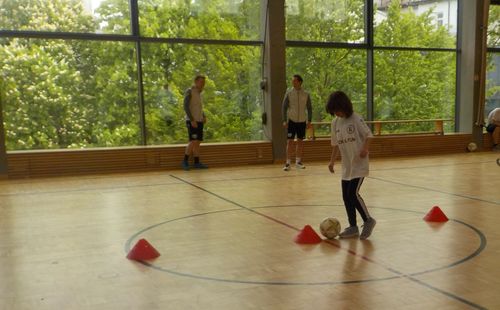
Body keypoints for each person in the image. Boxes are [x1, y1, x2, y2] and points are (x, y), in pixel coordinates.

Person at [326, 91, 376, 240]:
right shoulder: (335, 122)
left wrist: (365, 148)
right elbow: (335, 145)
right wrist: (332, 161)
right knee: (345, 196)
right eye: (334, 111)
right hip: (346, 167)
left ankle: (368, 220)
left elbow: (369, 135)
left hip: (359, 165)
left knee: (352, 194)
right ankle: (353, 227)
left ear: (344, 106)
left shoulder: (355, 118)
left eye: (337, 110)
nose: (336, 113)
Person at [281, 74, 313, 171]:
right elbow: (284, 107)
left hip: (302, 121)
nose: (293, 82)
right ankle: (288, 163)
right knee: (290, 141)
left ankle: (298, 162)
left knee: (300, 141)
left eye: (294, 81)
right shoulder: (289, 93)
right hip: (292, 121)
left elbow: (309, 108)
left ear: (299, 82)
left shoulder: (306, 94)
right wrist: (284, 120)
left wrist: (309, 120)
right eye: (292, 81)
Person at [182, 75, 208, 170]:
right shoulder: (190, 91)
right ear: (196, 82)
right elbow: (185, 106)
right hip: (192, 121)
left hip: (199, 120)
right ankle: (185, 161)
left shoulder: (199, 93)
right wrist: (192, 120)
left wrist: (203, 116)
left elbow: (199, 107)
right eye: (201, 82)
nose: (203, 84)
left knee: (198, 142)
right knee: (193, 141)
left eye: (204, 83)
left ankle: (197, 163)